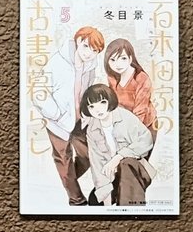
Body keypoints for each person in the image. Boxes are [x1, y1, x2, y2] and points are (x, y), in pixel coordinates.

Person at [35, 25, 104, 206]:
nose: (89, 53)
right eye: (86, 46)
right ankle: (76, 200)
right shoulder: (57, 62)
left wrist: (89, 113)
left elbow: (88, 90)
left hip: (80, 120)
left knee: (88, 156)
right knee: (63, 159)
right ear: (78, 41)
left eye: (95, 51)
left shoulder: (91, 65)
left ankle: (67, 180)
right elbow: (38, 92)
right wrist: (56, 114)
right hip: (57, 121)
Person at [79, 83, 155, 207]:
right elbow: (96, 163)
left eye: (102, 103)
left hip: (136, 171)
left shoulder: (125, 117)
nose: (97, 110)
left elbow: (146, 140)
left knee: (126, 163)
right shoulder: (92, 129)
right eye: (92, 106)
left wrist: (118, 157)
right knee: (95, 201)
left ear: (110, 101)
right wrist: (105, 194)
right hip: (113, 177)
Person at [104, 37, 158, 147]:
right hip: (122, 124)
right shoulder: (112, 77)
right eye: (112, 60)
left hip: (145, 125)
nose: (118, 64)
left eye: (122, 58)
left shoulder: (141, 78)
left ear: (130, 58)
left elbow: (141, 110)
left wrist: (129, 132)